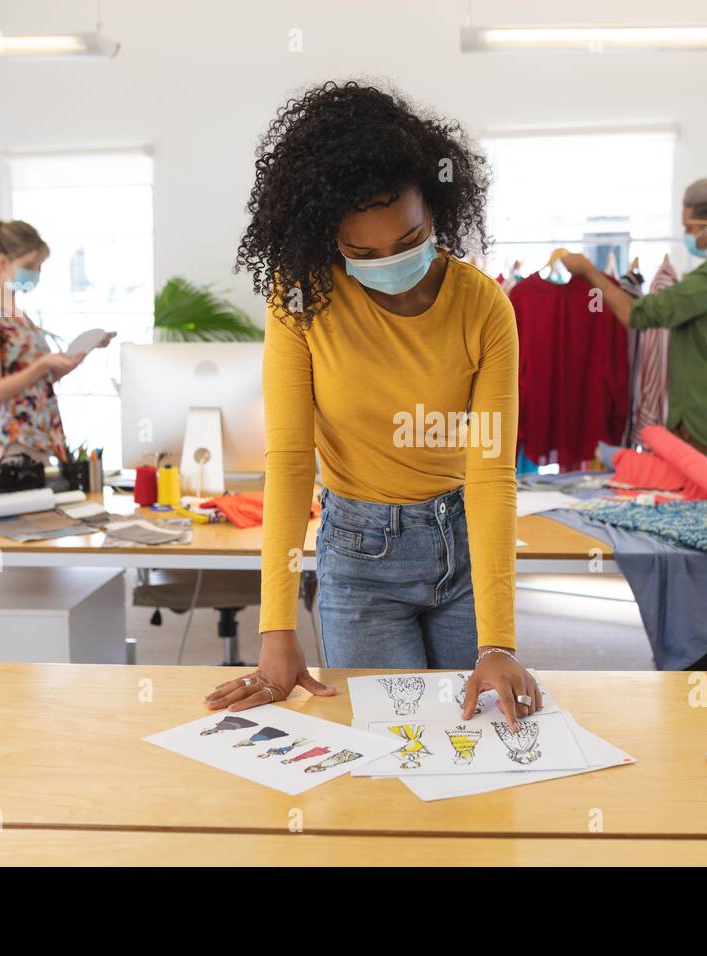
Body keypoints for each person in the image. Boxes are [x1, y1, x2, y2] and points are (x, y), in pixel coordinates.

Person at [204, 81, 541, 728]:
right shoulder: (301, 299)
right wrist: (277, 628)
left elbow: (493, 473)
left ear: (437, 208)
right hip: (360, 558)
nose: (390, 264)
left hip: (463, 546)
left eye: (409, 239)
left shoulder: (484, 308)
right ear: (328, 239)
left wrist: (498, 643)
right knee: (395, 749)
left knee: (479, 749)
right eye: (362, 253)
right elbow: (291, 459)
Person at [558, 177, 707, 470]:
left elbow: (635, 314)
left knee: (696, 513)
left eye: (688, 228)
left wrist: (589, 272)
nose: (686, 235)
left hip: (703, 435)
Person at [0, 219, 113, 464]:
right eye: (29, 266)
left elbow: (33, 382)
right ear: (2, 262)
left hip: (40, 440)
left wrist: (71, 361)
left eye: (39, 266)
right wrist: (43, 364)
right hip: (13, 446)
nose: (36, 273)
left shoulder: (19, 316)